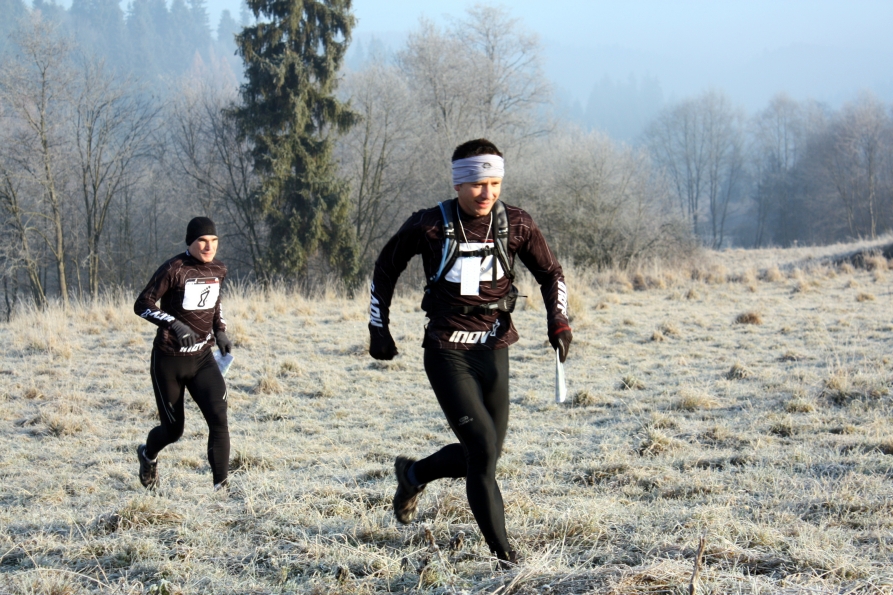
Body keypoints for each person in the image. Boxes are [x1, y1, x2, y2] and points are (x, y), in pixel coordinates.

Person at [367, 139, 572, 566]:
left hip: (494, 346)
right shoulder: (428, 225)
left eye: (495, 183)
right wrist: (378, 326)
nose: (487, 193)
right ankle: (506, 559)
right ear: (459, 183)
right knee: (481, 449)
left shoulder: (516, 223)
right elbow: (385, 267)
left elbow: (551, 273)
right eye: (478, 184)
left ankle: (413, 474)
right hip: (446, 350)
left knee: (488, 453)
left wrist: (559, 321)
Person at [134, 216, 233, 490]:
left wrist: (221, 330)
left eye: (213, 241)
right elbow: (142, 304)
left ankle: (221, 491)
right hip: (169, 362)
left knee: (219, 419)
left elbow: (215, 303)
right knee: (173, 431)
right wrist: (174, 324)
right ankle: (148, 455)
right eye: (202, 240)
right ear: (190, 242)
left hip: (202, 358)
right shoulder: (173, 269)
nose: (208, 246)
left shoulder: (219, 269)